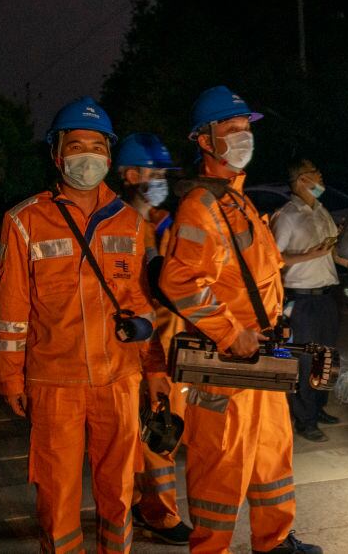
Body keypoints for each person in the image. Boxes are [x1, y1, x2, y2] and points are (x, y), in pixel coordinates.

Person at [0, 96, 170, 554]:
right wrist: (10, 375)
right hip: (55, 383)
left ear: (109, 157)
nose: (86, 156)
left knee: (118, 492)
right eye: (76, 146)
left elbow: (141, 305)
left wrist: (154, 371)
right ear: (56, 154)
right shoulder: (25, 221)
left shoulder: (130, 222)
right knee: (57, 496)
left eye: (96, 145)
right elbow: (12, 309)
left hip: (119, 379)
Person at [158, 86, 322, 554]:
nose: (242, 137)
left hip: (261, 355)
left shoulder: (238, 201)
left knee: (272, 456)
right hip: (228, 366)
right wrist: (231, 333)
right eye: (231, 130)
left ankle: (273, 542)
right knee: (221, 467)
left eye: (245, 129)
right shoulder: (202, 207)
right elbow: (180, 281)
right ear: (204, 141)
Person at [115, 132, 195, 546]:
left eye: (164, 173)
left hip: (162, 343)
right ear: (130, 175)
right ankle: (157, 513)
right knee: (156, 433)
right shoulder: (121, 226)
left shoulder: (156, 223)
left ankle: (136, 504)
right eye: (154, 172)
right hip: (141, 349)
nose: (161, 180)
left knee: (152, 431)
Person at [270, 158, 348, 443]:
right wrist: (308, 256)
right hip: (301, 300)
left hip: (326, 295)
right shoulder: (287, 215)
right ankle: (304, 419)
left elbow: (330, 250)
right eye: (316, 173)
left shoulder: (321, 211)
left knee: (326, 357)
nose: (321, 178)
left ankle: (318, 407)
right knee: (303, 361)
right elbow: (273, 259)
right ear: (302, 179)